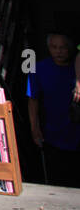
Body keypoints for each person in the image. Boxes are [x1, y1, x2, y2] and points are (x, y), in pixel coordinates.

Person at [27, 32, 80, 187]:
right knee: (58, 177)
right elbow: (33, 100)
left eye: (63, 47)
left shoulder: (76, 68)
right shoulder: (39, 69)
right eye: (54, 47)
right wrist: (34, 128)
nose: (58, 51)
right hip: (53, 131)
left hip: (76, 130)